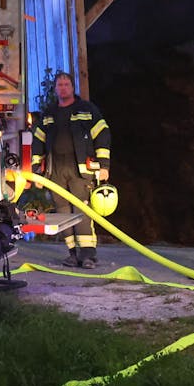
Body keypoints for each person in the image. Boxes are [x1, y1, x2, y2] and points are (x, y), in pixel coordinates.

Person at [31, 71, 111, 268]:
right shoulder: (49, 113)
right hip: (55, 169)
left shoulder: (86, 109)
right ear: (55, 89)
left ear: (72, 88)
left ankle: (88, 256)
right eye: (60, 85)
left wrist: (104, 165)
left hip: (80, 169)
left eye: (66, 84)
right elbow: (38, 141)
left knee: (82, 209)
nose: (63, 88)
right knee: (63, 212)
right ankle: (72, 254)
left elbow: (102, 134)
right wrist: (36, 171)